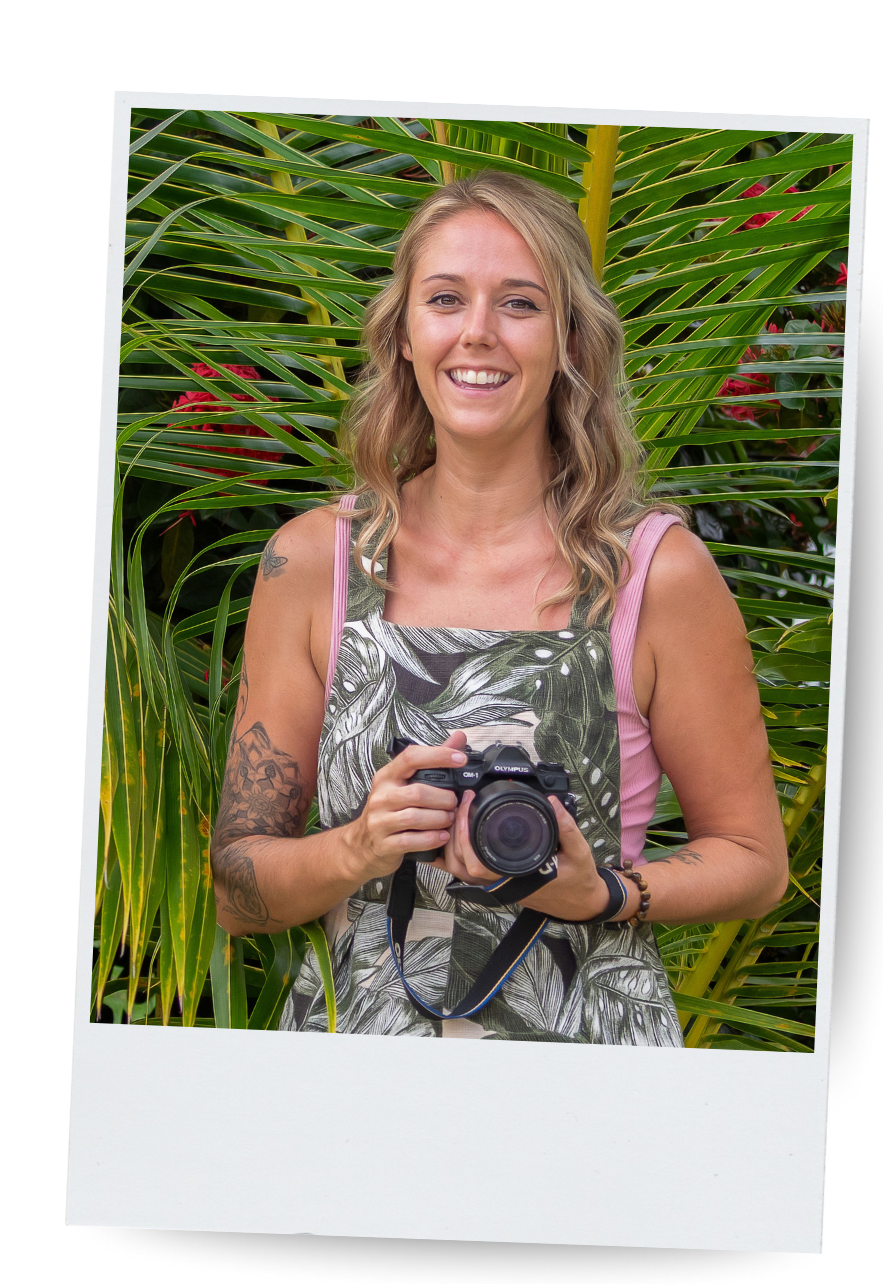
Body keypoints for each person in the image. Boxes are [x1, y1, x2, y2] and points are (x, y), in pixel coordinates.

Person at [211, 171, 789, 1044]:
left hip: (590, 1077)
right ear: (405, 333)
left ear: (569, 340)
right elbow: (236, 891)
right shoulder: (314, 562)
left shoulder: (653, 574)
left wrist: (606, 892)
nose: (476, 333)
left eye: (519, 303)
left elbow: (755, 864)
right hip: (352, 1081)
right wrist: (358, 847)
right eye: (445, 298)